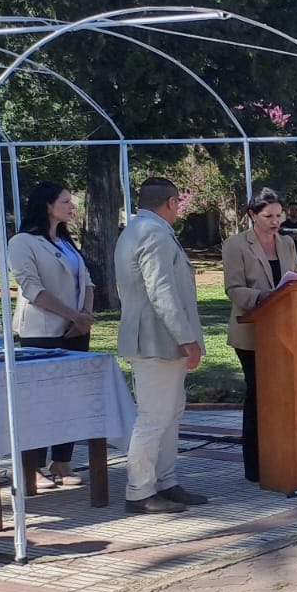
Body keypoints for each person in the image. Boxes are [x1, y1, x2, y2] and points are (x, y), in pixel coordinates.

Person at [115, 177, 207, 514]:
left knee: (170, 414)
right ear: (170, 202)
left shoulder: (140, 229)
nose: (179, 209)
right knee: (154, 418)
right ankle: (139, 491)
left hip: (158, 339)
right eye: (178, 203)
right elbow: (161, 292)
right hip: (156, 341)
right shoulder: (153, 233)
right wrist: (186, 338)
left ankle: (165, 482)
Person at [8, 182, 96, 488]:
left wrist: (85, 317)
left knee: (70, 399)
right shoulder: (23, 242)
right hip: (42, 332)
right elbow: (32, 289)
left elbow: (87, 282)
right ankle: (31, 466)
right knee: (40, 402)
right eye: (65, 201)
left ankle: (62, 461)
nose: (72, 207)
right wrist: (73, 316)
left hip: (75, 332)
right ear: (47, 205)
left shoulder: (67, 242)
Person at [223, 188, 297, 483]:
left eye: (279, 215)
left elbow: (294, 280)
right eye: (268, 216)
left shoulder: (287, 243)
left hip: (286, 331)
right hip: (252, 331)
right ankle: (255, 465)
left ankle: (283, 456)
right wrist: (261, 297)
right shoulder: (235, 245)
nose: (275, 221)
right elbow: (233, 288)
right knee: (259, 395)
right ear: (252, 215)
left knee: (284, 394)